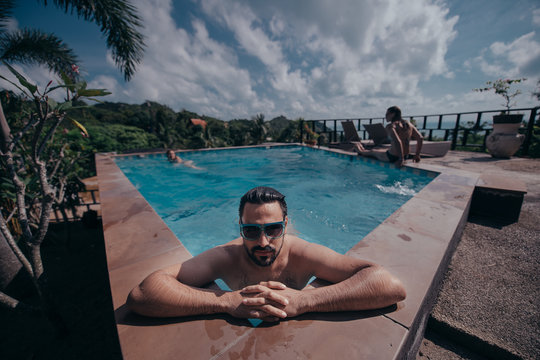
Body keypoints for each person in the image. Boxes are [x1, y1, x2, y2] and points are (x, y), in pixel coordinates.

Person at [127, 186, 406, 321]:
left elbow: (390, 285)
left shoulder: (303, 253)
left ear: (285, 225)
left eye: (273, 229)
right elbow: (142, 294)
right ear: (240, 228)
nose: (263, 241)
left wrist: (307, 300)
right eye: (251, 231)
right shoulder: (225, 256)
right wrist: (224, 301)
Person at [355, 106, 423, 167]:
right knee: (380, 150)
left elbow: (397, 141)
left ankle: (360, 150)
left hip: (392, 157)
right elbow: (420, 138)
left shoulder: (391, 126)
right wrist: (417, 155)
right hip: (406, 156)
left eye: (387, 114)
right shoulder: (409, 125)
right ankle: (362, 149)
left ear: (393, 114)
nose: (385, 116)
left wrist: (400, 159)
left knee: (372, 152)